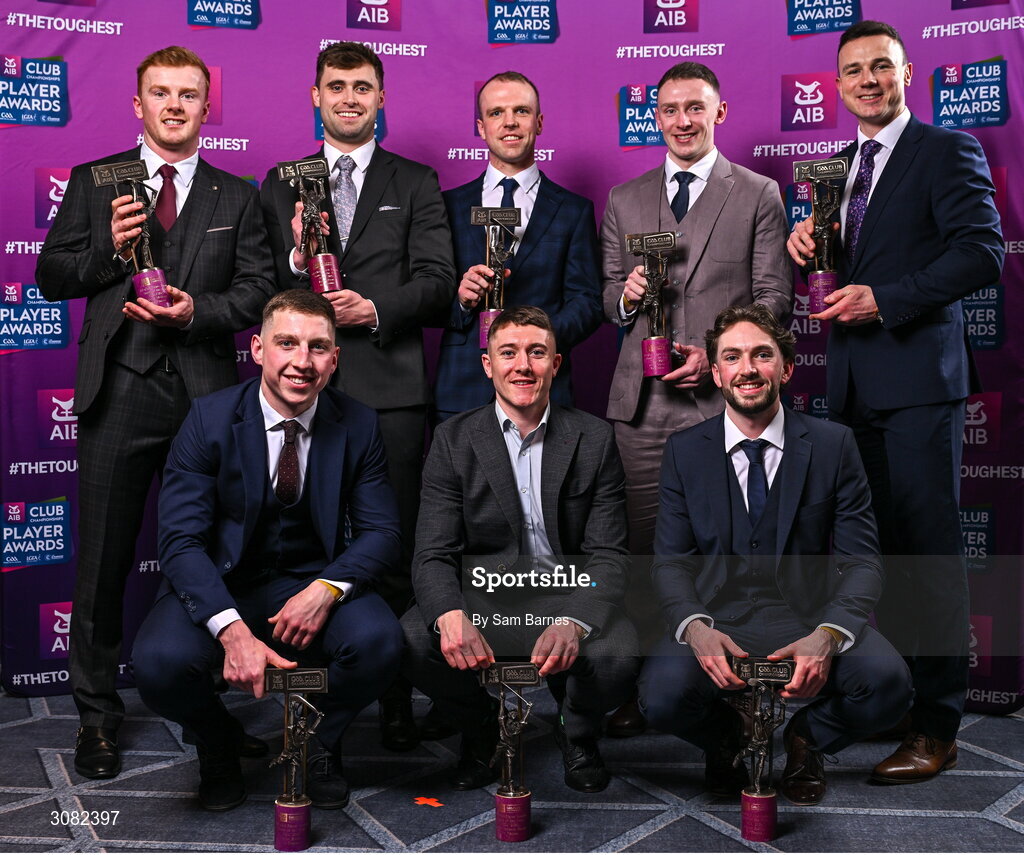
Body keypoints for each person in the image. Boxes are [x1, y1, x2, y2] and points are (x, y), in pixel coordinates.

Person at [35, 46, 276, 780]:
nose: (175, 105)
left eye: (189, 94)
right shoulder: (94, 180)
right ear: (138, 105)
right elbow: (51, 276)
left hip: (207, 398)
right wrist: (110, 252)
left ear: (207, 106)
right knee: (103, 563)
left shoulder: (237, 195)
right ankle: (97, 717)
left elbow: (257, 291)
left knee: (215, 553)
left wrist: (197, 311)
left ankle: (210, 714)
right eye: (161, 93)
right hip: (119, 391)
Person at [786, 20, 1004, 783]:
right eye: (854, 70)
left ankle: (938, 726)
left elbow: (982, 252)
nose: (868, 80)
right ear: (838, 85)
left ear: (907, 73)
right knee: (878, 559)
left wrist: (887, 298)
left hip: (916, 386)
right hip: (850, 390)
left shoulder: (947, 150)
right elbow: (843, 265)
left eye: (881, 66)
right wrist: (806, 249)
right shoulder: (838, 167)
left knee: (928, 558)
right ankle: (898, 703)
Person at [133, 290, 404, 811]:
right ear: (258, 349)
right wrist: (231, 630)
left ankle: (318, 740)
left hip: (310, 579)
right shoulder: (208, 419)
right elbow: (180, 541)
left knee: (381, 642)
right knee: (159, 663)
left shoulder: (359, 423)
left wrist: (326, 589)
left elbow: (382, 533)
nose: (302, 361)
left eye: (317, 347)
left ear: (334, 359)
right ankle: (217, 741)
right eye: (287, 343)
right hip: (224, 582)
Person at [260, 41, 456, 751]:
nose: (349, 97)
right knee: (300, 543)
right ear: (316, 95)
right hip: (298, 389)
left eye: (362, 86)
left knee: (389, 541)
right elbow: (260, 282)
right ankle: (311, 698)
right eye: (337, 85)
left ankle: (394, 697)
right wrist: (296, 257)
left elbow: (438, 281)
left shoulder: (416, 180)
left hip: (388, 390)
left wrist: (372, 308)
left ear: (381, 97)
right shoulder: (282, 181)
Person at [639, 304, 912, 805]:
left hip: (807, 617)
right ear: (716, 372)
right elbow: (671, 563)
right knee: (660, 697)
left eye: (762, 355)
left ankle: (808, 739)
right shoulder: (684, 450)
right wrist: (696, 629)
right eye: (733, 357)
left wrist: (828, 635)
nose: (747, 369)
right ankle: (727, 737)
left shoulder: (833, 444)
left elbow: (862, 562)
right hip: (718, 618)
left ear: (786, 369)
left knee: (889, 685)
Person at [601, 60, 792, 735]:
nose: (682, 121)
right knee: (642, 548)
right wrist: (625, 296)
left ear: (719, 112)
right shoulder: (624, 197)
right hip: (642, 406)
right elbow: (608, 295)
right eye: (670, 109)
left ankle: (729, 686)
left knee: (726, 546)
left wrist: (716, 361)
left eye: (695, 108)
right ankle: (646, 684)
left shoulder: (759, 193)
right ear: (654, 117)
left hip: (722, 403)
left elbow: (774, 297)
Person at [403, 306, 638, 793]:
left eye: (537, 353)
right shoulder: (453, 439)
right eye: (508, 353)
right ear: (487, 364)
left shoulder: (594, 438)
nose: (523, 366)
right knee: (411, 639)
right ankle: (482, 727)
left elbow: (609, 555)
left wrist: (574, 620)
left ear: (557, 363)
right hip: (486, 594)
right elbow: (432, 553)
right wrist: (450, 614)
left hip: (566, 590)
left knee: (620, 650)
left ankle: (575, 729)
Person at [434, 71, 602, 421]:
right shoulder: (446, 206)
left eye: (521, 111)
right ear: (481, 127)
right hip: (462, 386)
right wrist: (460, 300)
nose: (509, 122)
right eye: (496, 112)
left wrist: (538, 340)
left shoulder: (573, 210)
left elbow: (587, 302)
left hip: (544, 386)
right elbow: (426, 294)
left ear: (538, 122)